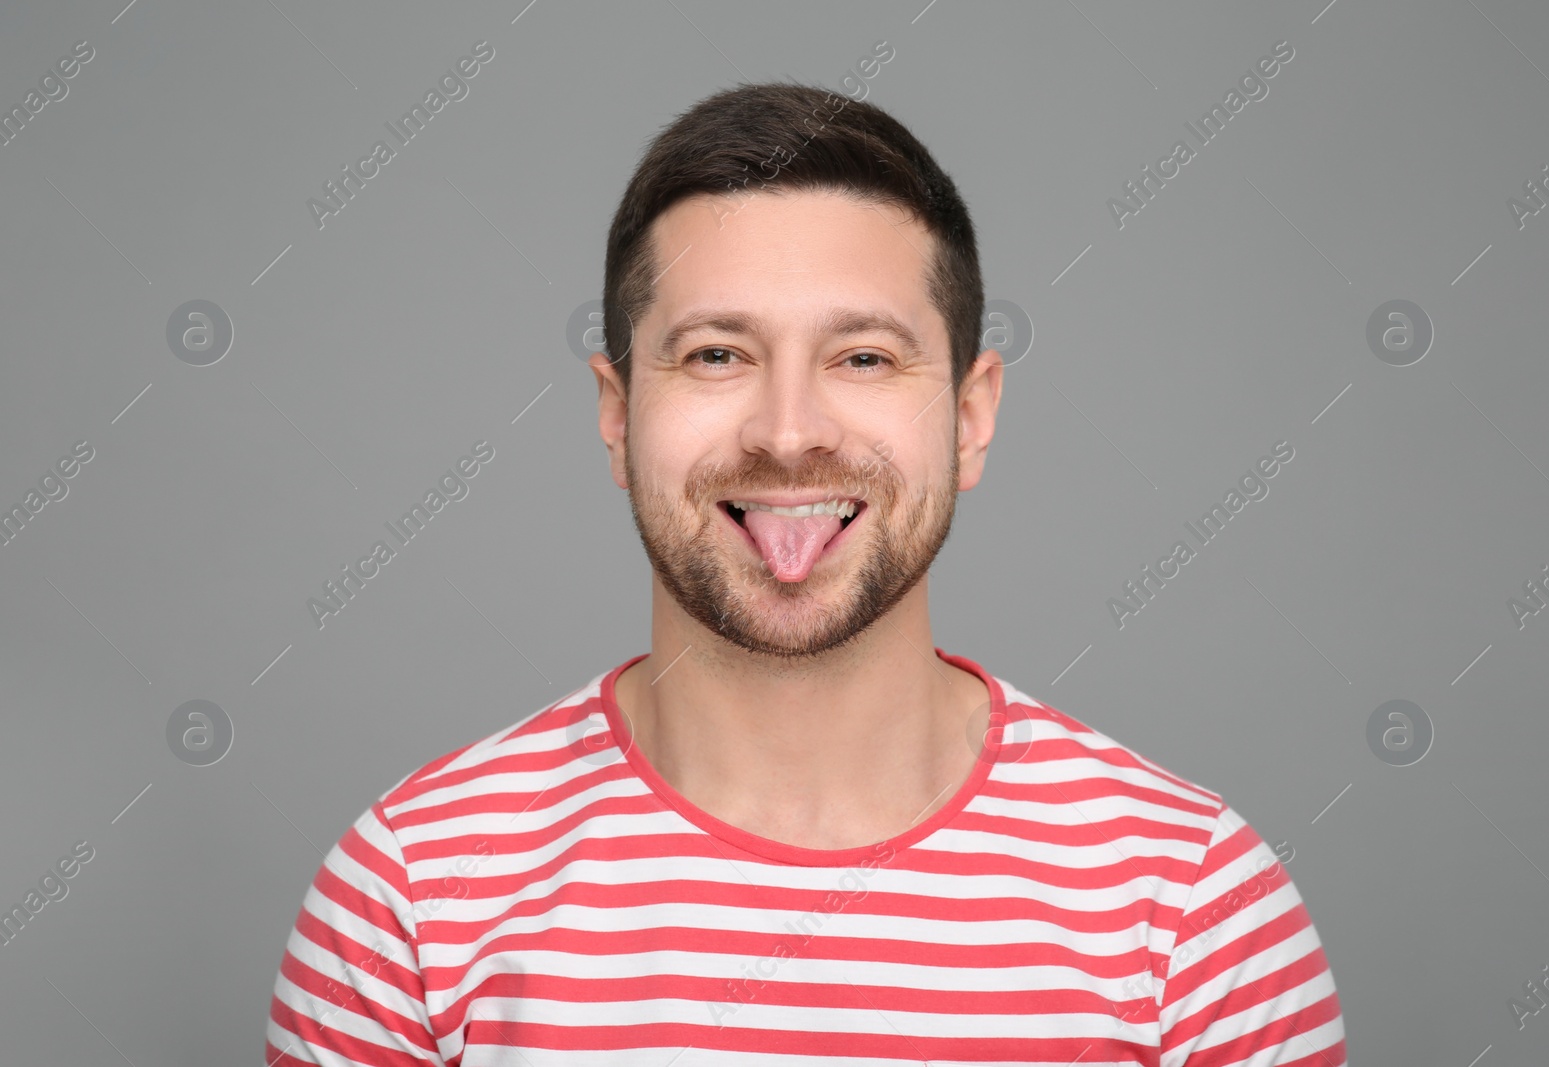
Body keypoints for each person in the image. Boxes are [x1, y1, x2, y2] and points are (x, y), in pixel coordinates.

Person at [264, 81, 1346, 1065]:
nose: (788, 434)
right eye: (716, 355)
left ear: (969, 418)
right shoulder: (412, 894)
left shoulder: (1195, 912)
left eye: (864, 357)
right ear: (616, 413)